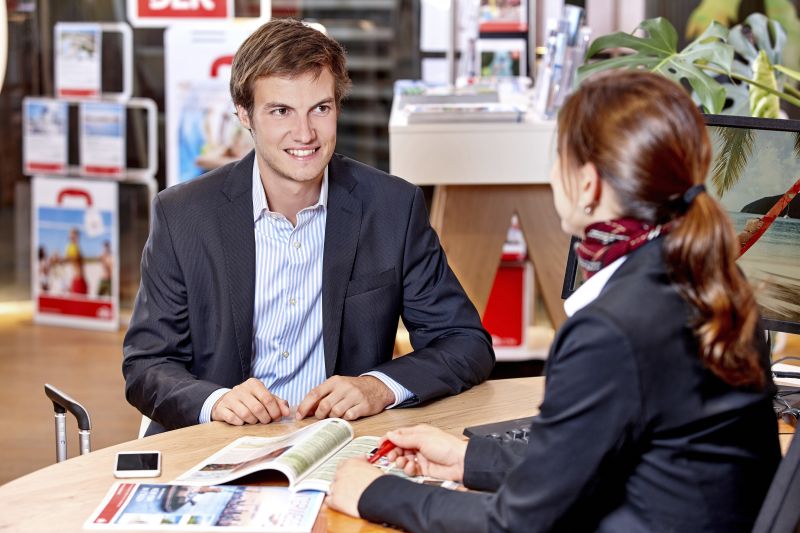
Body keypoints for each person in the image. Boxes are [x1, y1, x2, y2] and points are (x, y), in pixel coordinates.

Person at [328, 70, 781, 532]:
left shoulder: (611, 330)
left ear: (587, 185)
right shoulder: (706, 279)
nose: (550, 175)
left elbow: (518, 525)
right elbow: (598, 450)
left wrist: (375, 492)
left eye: (557, 158)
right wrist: (469, 458)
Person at [122, 18, 494, 436]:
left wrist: (378, 386)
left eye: (321, 108)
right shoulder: (183, 215)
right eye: (281, 111)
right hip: (214, 444)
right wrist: (215, 400)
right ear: (244, 114)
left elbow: (465, 343)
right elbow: (146, 365)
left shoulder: (392, 207)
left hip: (338, 441)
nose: (305, 133)